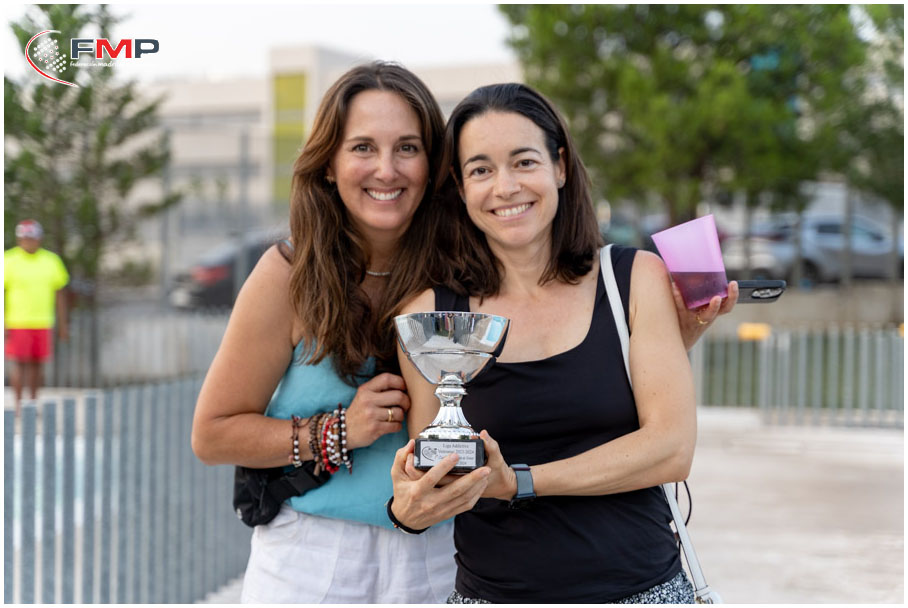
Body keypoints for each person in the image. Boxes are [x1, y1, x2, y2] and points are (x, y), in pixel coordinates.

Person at [192, 63, 733, 603]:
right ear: (329, 164)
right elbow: (213, 434)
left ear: (435, 169)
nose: (386, 169)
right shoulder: (309, 278)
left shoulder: (464, 270)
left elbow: (595, 407)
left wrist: (652, 345)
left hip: (444, 554)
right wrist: (338, 432)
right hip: (325, 554)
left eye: (407, 148)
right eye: (362, 147)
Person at [388, 82, 737, 604]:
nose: (505, 187)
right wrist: (409, 506)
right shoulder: (429, 318)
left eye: (524, 162)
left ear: (560, 167)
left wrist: (520, 482)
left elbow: (671, 449)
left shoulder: (632, 279)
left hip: (644, 594)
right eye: (481, 170)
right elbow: (435, 479)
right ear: (459, 187)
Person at [4, 219, 69, 416]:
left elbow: (60, 294)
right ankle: (18, 406)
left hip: (42, 321)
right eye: (24, 238)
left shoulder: (51, 261)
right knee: (19, 363)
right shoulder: (8, 260)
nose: (28, 242)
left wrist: (63, 324)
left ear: (39, 239)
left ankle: (32, 403)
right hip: (17, 321)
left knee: (37, 365)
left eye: (31, 238)